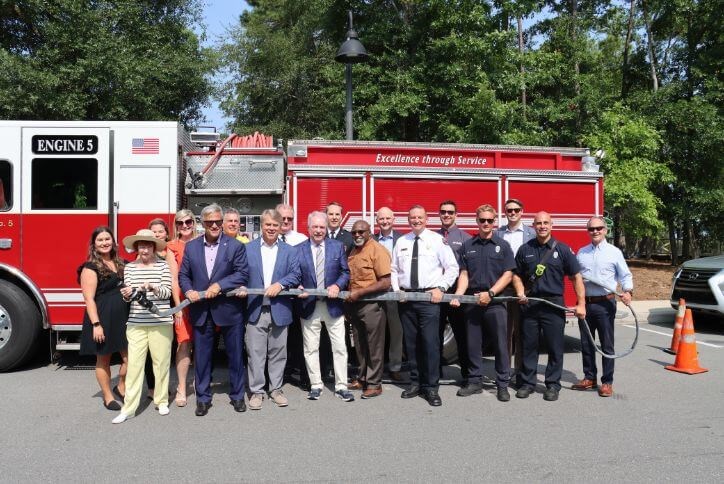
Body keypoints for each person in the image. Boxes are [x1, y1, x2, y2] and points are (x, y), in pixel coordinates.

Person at [179, 204, 249, 416]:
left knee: (235, 355)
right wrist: (189, 289)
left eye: (219, 221)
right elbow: (183, 275)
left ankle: (237, 396)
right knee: (202, 357)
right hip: (201, 310)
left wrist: (220, 285)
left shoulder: (235, 246)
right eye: (210, 222)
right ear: (203, 223)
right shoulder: (191, 247)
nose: (215, 225)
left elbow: (242, 274)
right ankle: (202, 398)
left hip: (229, 309)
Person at [512, 211, 586, 402]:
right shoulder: (524, 249)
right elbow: (516, 275)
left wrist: (581, 304)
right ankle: (527, 383)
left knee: (554, 347)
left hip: (554, 304)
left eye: (546, 223)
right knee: (529, 347)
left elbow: (576, 277)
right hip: (530, 303)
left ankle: (552, 385)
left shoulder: (562, 249)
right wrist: (520, 291)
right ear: (533, 226)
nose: (542, 226)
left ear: (552, 225)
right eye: (539, 223)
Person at [391, 206, 458, 407]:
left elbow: (452, 268)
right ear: (408, 219)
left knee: (430, 344)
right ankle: (415, 382)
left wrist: (441, 288)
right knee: (411, 344)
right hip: (407, 299)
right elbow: (394, 269)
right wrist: (397, 290)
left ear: (426, 219)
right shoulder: (402, 241)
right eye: (412, 217)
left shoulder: (438, 241)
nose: (416, 220)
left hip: (430, 299)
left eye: (420, 217)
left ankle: (430, 387)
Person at [451, 205, 516, 402]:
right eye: (482, 220)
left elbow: (508, 274)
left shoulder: (503, 246)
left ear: (494, 221)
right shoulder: (467, 246)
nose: (486, 224)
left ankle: (502, 384)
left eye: (489, 220)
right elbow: (464, 274)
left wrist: (491, 292)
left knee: (500, 344)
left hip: (495, 301)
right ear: (476, 220)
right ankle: (475, 381)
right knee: (473, 343)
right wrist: (459, 295)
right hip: (472, 301)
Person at [238, 209, 301, 410]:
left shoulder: (289, 251)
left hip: (280, 309)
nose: (271, 228)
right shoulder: (248, 249)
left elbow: (296, 274)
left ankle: (276, 389)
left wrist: (280, 284)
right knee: (255, 353)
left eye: (275, 225)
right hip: (255, 309)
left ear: (281, 226)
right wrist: (240, 286)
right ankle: (257, 391)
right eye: (268, 225)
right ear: (261, 226)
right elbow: (241, 273)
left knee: (278, 352)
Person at [112, 229, 173, 424]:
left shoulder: (163, 266)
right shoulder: (129, 268)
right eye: (141, 245)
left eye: (148, 245)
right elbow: (127, 296)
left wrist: (153, 287)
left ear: (154, 247)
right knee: (135, 366)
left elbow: (167, 293)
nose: (144, 249)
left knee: (161, 363)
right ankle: (128, 408)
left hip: (161, 322)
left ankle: (161, 401)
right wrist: (127, 293)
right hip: (136, 322)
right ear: (136, 247)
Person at [296, 211, 354, 402]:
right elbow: (295, 273)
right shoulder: (299, 249)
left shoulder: (337, 247)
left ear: (326, 228)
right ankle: (316, 385)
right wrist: (297, 286)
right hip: (309, 305)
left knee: (339, 347)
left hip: (333, 306)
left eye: (322, 227)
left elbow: (345, 272)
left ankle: (341, 386)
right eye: (315, 227)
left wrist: (338, 285)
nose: (319, 230)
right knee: (311, 348)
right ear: (309, 228)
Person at [574, 216, 633, 397]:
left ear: (605, 230)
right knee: (587, 343)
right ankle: (589, 377)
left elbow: (625, 275)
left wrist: (628, 291)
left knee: (607, 344)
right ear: (588, 232)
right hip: (586, 304)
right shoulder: (582, 253)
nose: (595, 231)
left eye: (599, 228)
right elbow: (575, 277)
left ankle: (607, 382)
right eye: (592, 229)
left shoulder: (614, 252)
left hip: (605, 303)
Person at [78, 227, 129, 411]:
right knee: (104, 360)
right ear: (94, 245)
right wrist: (96, 324)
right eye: (100, 240)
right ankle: (108, 396)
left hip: (124, 318)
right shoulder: (90, 268)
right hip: (102, 319)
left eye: (107, 239)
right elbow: (89, 299)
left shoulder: (122, 263)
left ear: (113, 242)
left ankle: (121, 385)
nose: (105, 242)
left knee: (130, 359)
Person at [345, 220, 392, 399]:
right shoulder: (354, 250)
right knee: (360, 345)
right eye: (354, 232)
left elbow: (385, 282)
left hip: (372, 305)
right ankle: (363, 378)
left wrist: (360, 292)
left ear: (369, 232)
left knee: (374, 346)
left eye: (361, 232)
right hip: (355, 305)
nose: (357, 235)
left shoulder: (377, 250)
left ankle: (374, 384)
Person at [495, 198, 537, 377]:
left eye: (516, 209)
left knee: (522, 331)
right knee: (504, 332)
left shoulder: (532, 234)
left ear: (522, 211)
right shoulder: (497, 234)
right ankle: (505, 371)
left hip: (524, 287)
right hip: (504, 288)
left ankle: (520, 371)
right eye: (509, 210)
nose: (512, 213)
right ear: (505, 212)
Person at [437, 200, 471, 384]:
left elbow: (468, 268)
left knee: (461, 334)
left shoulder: (465, 238)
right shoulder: (432, 236)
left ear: (456, 214)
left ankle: (466, 374)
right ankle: (436, 371)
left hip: (457, 293)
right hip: (437, 293)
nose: (446, 215)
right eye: (443, 212)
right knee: (435, 334)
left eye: (450, 212)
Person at [165, 209, 196, 407]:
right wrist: (178, 307)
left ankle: (201, 384)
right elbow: (173, 280)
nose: (184, 226)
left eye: (188, 222)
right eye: (180, 223)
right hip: (183, 303)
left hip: (202, 301)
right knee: (183, 344)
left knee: (203, 344)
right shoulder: (171, 247)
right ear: (175, 226)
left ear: (194, 222)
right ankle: (182, 387)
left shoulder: (203, 241)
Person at [373, 206, 404, 381]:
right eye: (381, 219)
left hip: (395, 291)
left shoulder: (402, 239)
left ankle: (395, 366)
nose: (384, 222)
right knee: (376, 332)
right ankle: (376, 368)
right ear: (377, 221)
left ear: (393, 219)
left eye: (387, 218)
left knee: (396, 331)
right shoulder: (371, 239)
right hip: (377, 292)